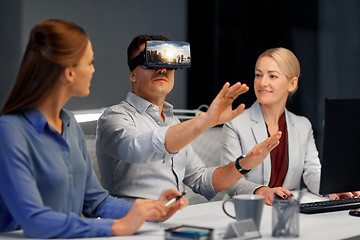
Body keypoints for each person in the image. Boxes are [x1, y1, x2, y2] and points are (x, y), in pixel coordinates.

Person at [0, 20, 187, 239]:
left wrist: (151, 210)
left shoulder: (68, 123)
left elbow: (97, 202)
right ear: (69, 72)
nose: (93, 70)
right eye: (90, 62)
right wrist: (116, 228)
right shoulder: (10, 131)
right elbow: (35, 221)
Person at [95, 34, 282, 201]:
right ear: (132, 74)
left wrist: (244, 164)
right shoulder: (114, 117)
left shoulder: (173, 122)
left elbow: (200, 179)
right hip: (132, 225)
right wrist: (205, 120)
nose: (162, 70)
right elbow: (134, 149)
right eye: (151, 61)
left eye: (168, 62)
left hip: (175, 220)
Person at [220, 47, 360, 205]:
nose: (262, 82)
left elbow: (312, 171)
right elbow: (230, 181)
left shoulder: (302, 125)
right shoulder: (235, 123)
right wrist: (262, 191)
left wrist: (332, 188)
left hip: (287, 209)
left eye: (272, 76)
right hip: (245, 209)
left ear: (292, 84)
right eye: (258, 75)